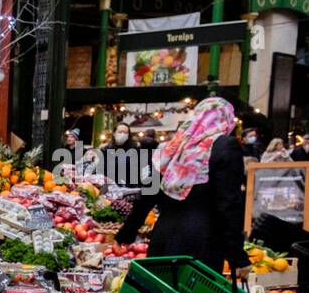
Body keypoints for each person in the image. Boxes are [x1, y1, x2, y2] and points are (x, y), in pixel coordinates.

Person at [115, 97, 250, 279]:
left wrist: (126, 233)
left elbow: (147, 195)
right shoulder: (226, 146)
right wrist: (238, 257)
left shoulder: (174, 147)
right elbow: (228, 206)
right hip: (200, 247)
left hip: (162, 241)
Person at [100, 122, 151, 190]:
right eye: (120, 132)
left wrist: (140, 186)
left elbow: (145, 167)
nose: (122, 134)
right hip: (111, 189)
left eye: (125, 132)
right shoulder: (105, 149)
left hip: (132, 189)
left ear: (128, 135)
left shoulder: (136, 149)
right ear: (114, 133)